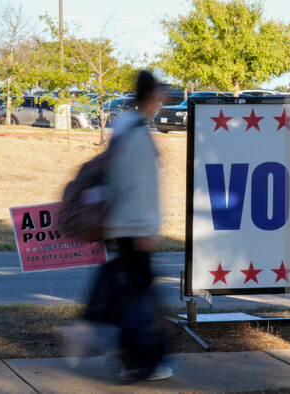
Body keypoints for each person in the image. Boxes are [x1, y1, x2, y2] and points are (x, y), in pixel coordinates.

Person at [103, 70, 171, 381]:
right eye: (160, 91)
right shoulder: (138, 134)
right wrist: (146, 231)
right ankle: (140, 363)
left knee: (131, 296)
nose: (163, 97)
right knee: (139, 300)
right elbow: (140, 187)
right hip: (134, 228)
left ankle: (130, 360)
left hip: (121, 225)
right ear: (150, 95)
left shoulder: (124, 126)